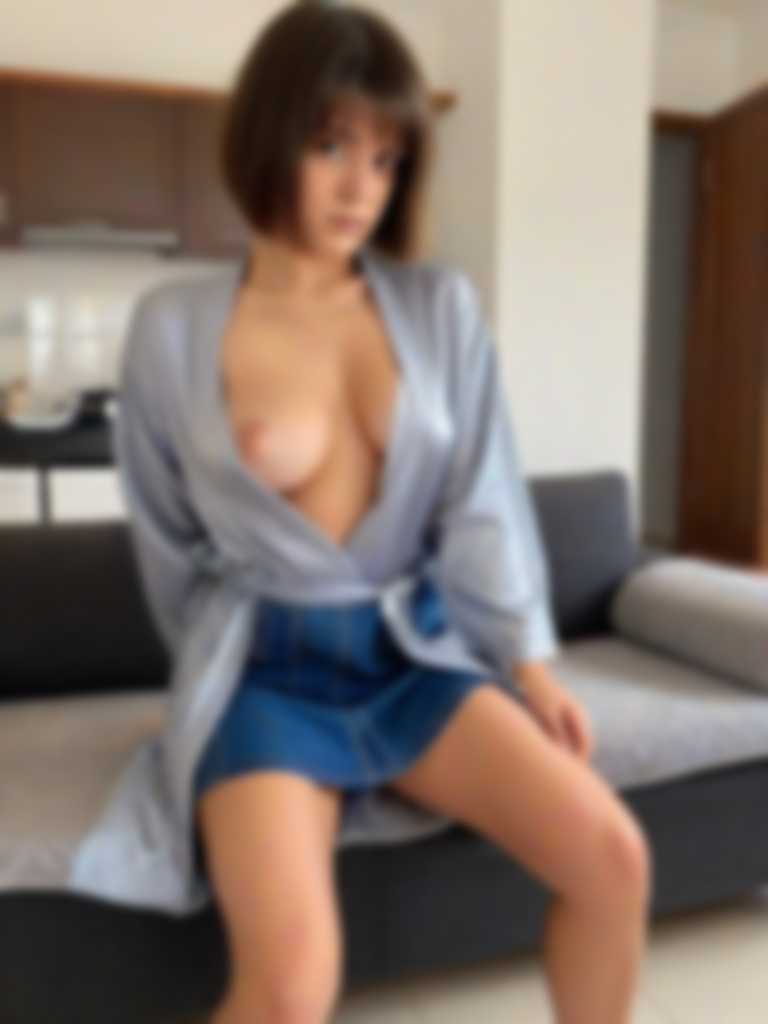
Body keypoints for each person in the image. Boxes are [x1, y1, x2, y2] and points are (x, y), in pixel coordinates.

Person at [113, 3, 653, 1022]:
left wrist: (529, 666)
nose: (361, 185)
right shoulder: (171, 328)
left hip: (412, 653)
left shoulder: (440, 308)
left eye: (386, 157)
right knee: (291, 985)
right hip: (266, 674)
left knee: (614, 855)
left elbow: (483, 501)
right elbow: (165, 539)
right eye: (330, 146)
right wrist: (208, 679)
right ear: (269, 134)